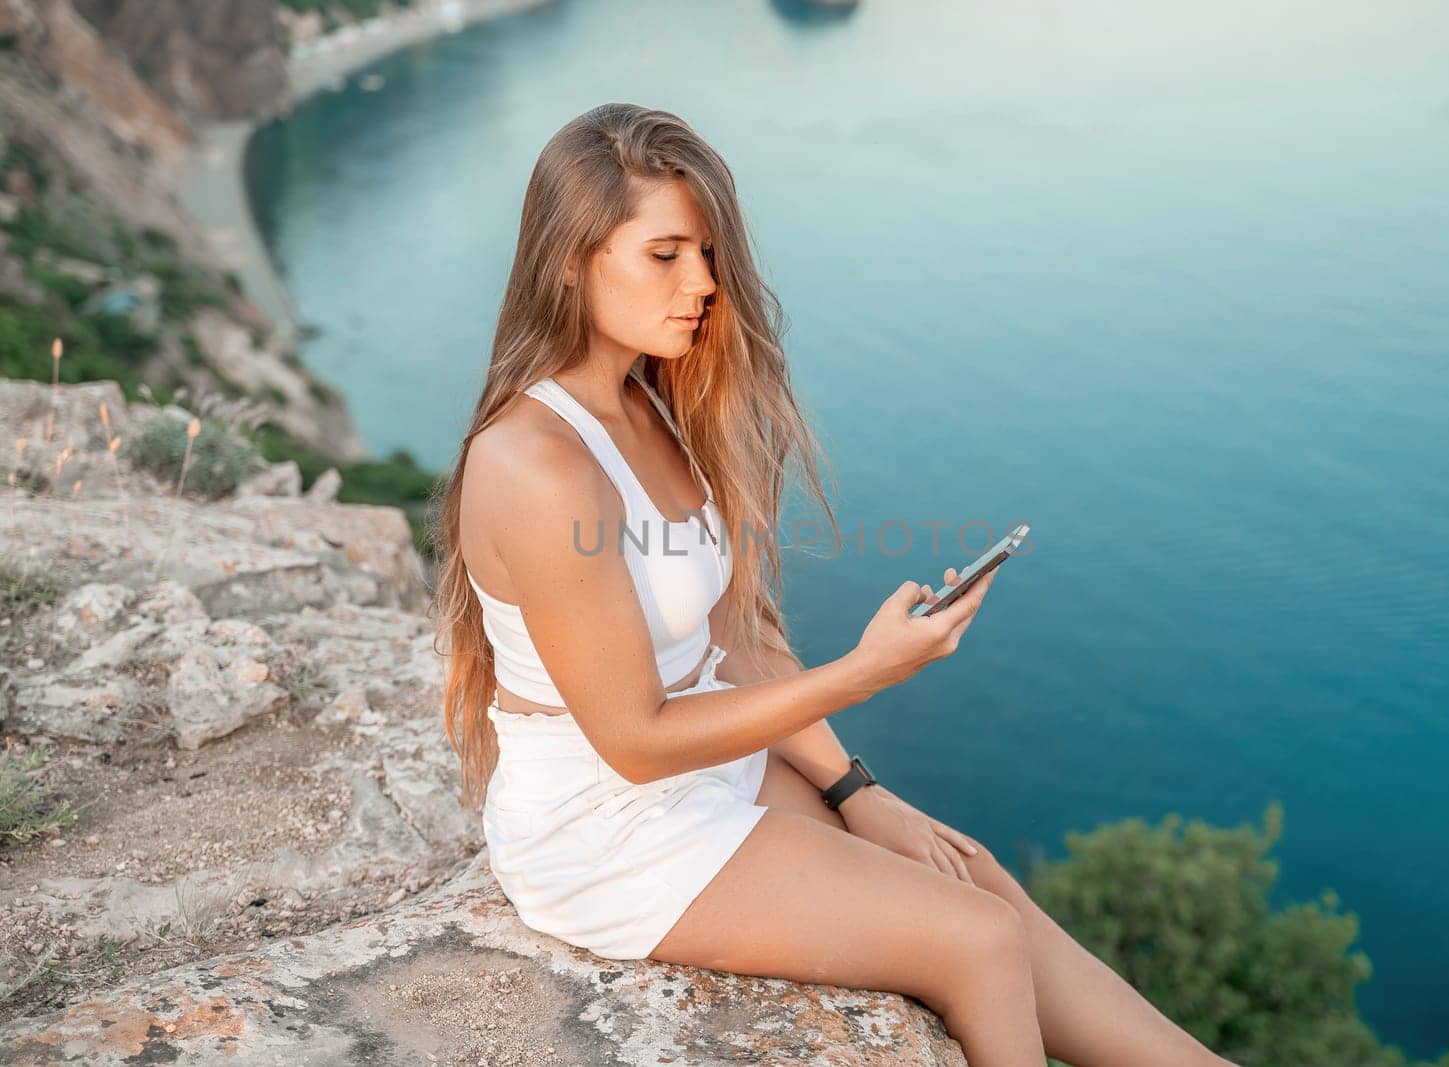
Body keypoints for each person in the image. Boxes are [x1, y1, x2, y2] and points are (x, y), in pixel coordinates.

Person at [431, 102, 1238, 1067]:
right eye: (667, 255)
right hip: (605, 830)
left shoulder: (650, 402)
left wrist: (859, 787)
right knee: (972, 942)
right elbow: (635, 742)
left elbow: (734, 639)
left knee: (974, 876)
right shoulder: (536, 461)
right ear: (570, 258)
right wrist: (868, 670)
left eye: (710, 254)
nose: (705, 286)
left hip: (708, 772)